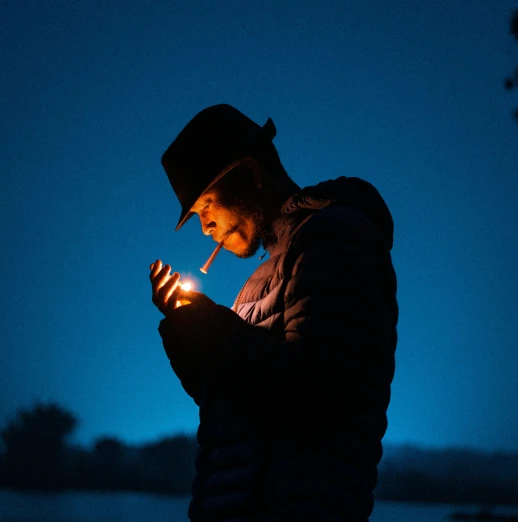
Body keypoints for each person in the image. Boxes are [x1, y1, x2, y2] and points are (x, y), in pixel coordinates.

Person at [149, 104, 397, 521]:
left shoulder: (335, 238)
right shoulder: (255, 285)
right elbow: (233, 413)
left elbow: (318, 394)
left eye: (207, 204)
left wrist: (212, 329)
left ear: (249, 174)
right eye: (197, 217)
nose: (205, 227)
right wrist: (184, 334)